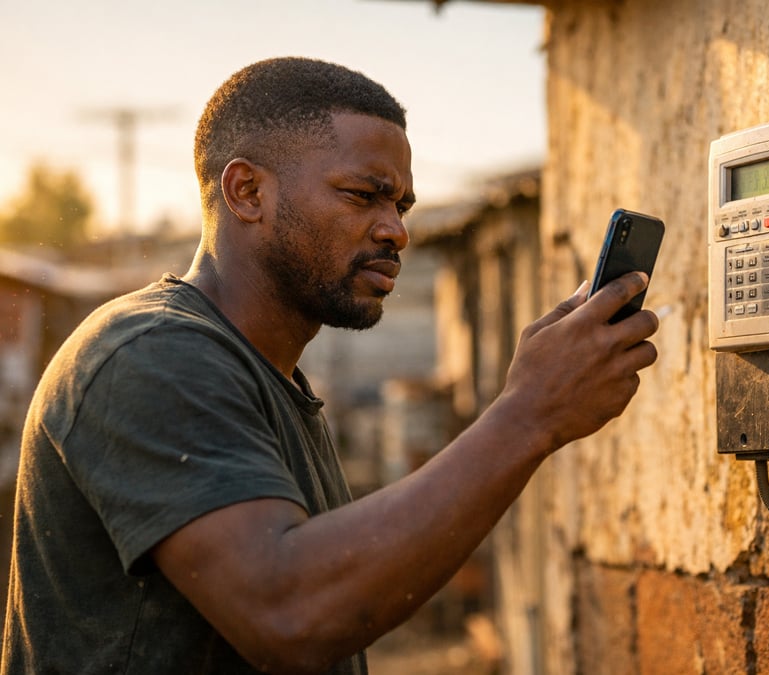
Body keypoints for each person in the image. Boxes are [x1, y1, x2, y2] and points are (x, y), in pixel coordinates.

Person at [1, 57, 658, 674]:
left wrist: (529, 407)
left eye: (400, 204)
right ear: (247, 191)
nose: (395, 229)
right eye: (362, 195)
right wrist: (529, 413)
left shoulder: (272, 380)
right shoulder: (146, 353)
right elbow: (288, 611)